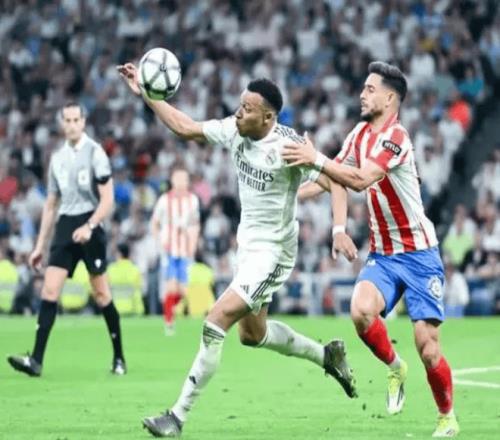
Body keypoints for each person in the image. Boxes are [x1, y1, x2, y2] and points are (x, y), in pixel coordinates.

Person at [117, 63, 357, 438]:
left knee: (215, 319)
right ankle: (326, 355)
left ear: (268, 117)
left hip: (274, 253)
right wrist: (147, 94)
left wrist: (339, 229)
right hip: (247, 247)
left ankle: (176, 417)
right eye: (240, 105)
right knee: (252, 335)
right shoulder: (234, 129)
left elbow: (336, 182)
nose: (239, 112)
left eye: (247, 108)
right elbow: (185, 127)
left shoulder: (289, 147)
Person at [283, 61, 459, 437]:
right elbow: (334, 178)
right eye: (363, 88)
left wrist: (316, 158)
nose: (362, 94)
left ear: (390, 98)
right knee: (361, 311)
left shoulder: (396, 138)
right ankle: (396, 368)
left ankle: (447, 417)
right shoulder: (358, 134)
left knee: (428, 347)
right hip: (383, 254)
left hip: (420, 255)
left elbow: (360, 179)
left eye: (370, 89)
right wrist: (289, 197)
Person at [7, 102, 126, 377]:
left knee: (101, 294)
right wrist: (39, 246)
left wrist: (90, 226)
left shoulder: (95, 153)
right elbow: (50, 205)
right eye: (67, 120)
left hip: (91, 223)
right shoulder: (57, 158)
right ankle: (36, 361)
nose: (71, 125)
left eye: (76, 120)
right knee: (49, 291)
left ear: (83, 122)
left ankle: (119, 357)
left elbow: (107, 199)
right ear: (62, 124)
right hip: (65, 224)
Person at [151, 167, 200, 334]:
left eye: (183, 179)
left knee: (183, 291)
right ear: (172, 181)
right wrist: (159, 241)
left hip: (185, 251)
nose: (180, 182)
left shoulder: (193, 200)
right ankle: (169, 322)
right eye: (177, 179)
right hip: (169, 250)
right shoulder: (164, 200)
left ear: (187, 181)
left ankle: (170, 313)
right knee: (171, 287)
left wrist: (193, 244)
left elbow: (195, 224)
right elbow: (154, 222)